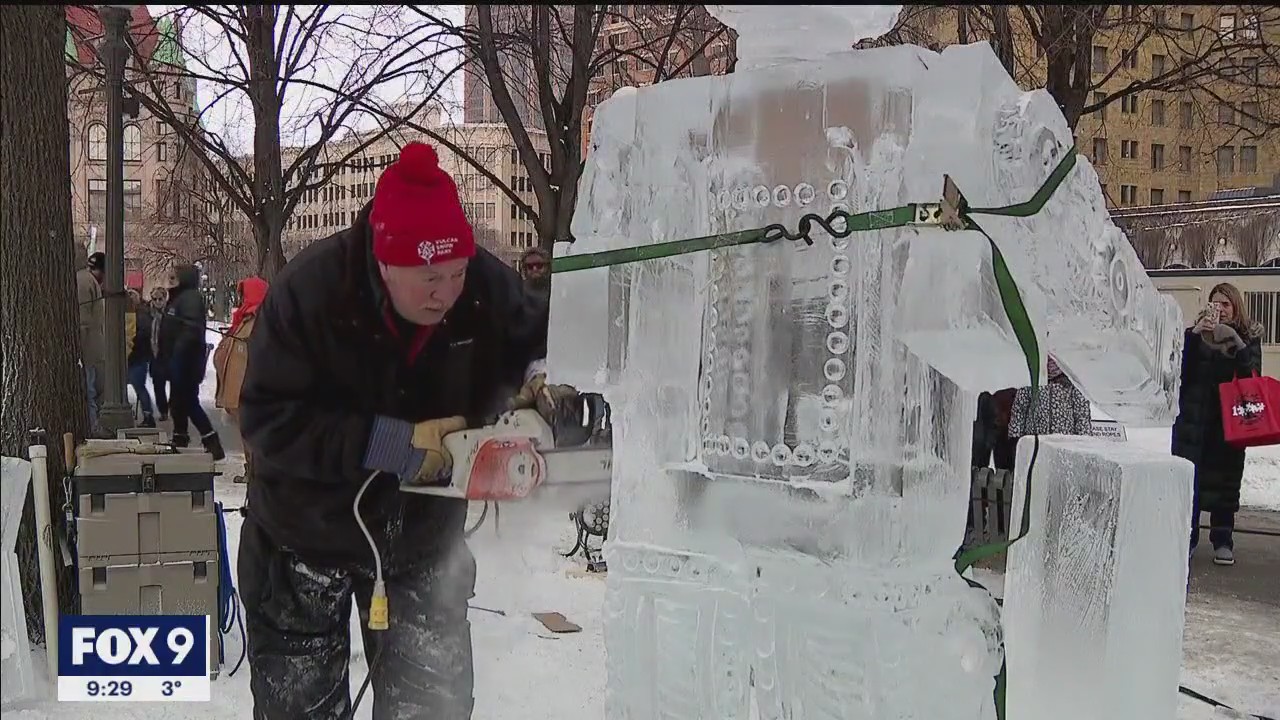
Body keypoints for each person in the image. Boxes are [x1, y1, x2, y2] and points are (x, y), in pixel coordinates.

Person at [236, 142, 569, 719]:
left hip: (421, 543)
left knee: (431, 708)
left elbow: (540, 340)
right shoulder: (310, 294)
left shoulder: (483, 287)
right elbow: (268, 419)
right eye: (429, 277)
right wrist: (390, 444)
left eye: (458, 272)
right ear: (385, 264)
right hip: (302, 537)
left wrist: (543, 382)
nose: (447, 291)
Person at [1173, 282, 1264, 567]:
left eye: (1226, 304)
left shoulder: (1248, 338)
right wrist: (1193, 338)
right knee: (1190, 480)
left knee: (1225, 481)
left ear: (1235, 307)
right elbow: (1178, 373)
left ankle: (1223, 539)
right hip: (1193, 421)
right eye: (1216, 303)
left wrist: (1237, 345)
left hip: (1228, 422)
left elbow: (1252, 379)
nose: (1220, 310)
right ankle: (1186, 539)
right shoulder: (1196, 335)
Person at [157, 263, 225, 460]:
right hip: (178, 361)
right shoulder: (179, 299)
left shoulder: (190, 299)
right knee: (178, 402)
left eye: (173, 278)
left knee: (188, 402)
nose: (169, 281)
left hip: (186, 362)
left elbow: (190, 331)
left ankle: (211, 441)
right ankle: (180, 436)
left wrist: (177, 355)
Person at [213, 276, 269, 484]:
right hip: (242, 390)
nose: (240, 297)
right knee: (248, 434)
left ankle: (256, 473)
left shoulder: (258, 320)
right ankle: (253, 470)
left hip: (249, 390)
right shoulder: (247, 318)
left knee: (253, 434)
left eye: (243, 293)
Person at [76, 251, 108, 438]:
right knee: (89, 391)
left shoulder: (87, 281)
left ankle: (93, 425)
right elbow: (84, 322)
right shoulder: (86, 283)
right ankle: (92, 427)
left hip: (90, 349)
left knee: (92, 390)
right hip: (87, 351)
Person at [126, 289, 157, 427]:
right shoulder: (140, 314)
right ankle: (147, 414)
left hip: (138, 356)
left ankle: (148, 415)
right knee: (138, 386)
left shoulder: (141, 315)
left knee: (139, 386)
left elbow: (143, 335)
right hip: (137, 356)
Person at [148, 286, 170, 421]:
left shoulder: (170, 313)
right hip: (154, 354)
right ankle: (163, 410)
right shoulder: (148, 313)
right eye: (154, 299)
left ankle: (171, 406)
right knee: (158, 384)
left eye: (160, 299)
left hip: (168, 353)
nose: (157, 301)